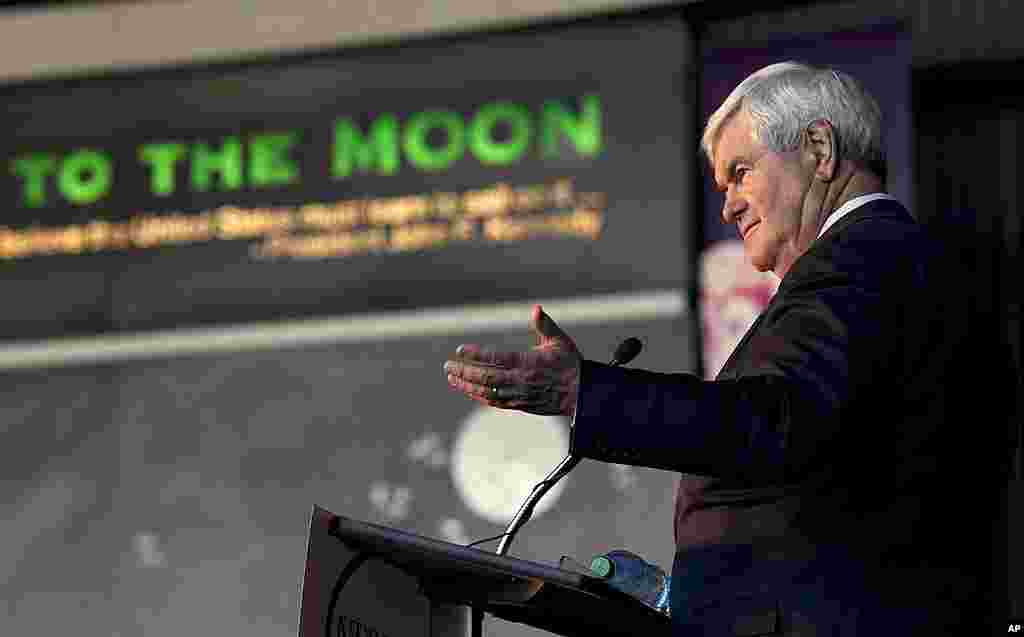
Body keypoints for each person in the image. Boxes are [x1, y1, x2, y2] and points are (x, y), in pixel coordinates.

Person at [443, 61, 1016, 635]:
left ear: (819, 148)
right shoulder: (882, 263)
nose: (729, 206)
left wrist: (583, 391)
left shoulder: (864, 259)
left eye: (741, 172)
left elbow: (776, 419)